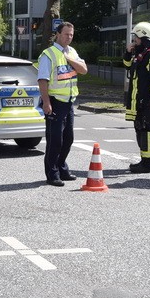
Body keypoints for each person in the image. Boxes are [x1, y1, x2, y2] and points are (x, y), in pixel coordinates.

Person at [37, 22, 88, 186]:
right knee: (55, 140)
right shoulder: (48, 54)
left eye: (71, 35)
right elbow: (43, 80)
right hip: (55, 101)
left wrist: (70, 59)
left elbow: (84, 70)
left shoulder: (72, 52)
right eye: (66, 34)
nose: (69, 37)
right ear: (58, 34)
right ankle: (52, 174)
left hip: (69, 102)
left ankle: (62, 168)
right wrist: (46, 102)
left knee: (68, 139)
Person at [123, 21, 150, 173]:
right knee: (140, 129)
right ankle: (144, 160)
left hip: (147, 101)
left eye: (137, 38)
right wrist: (128, 52)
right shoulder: (141, 53)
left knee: (147, 130)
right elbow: (127, 65)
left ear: (144, 38)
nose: (135, 41)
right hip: (139, 101)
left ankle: (149, 163)